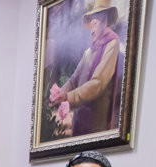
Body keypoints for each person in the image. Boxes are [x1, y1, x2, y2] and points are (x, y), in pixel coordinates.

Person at [47, 0, 121, 138]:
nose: (91, 29)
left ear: (104, 20)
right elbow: (74, 79)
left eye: (94, 23)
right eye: (91, 23)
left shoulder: (112, 43)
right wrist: (58, 95)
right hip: (80, 118)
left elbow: (98, 83)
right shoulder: (89, 51)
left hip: (97, 120)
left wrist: (69, 97)